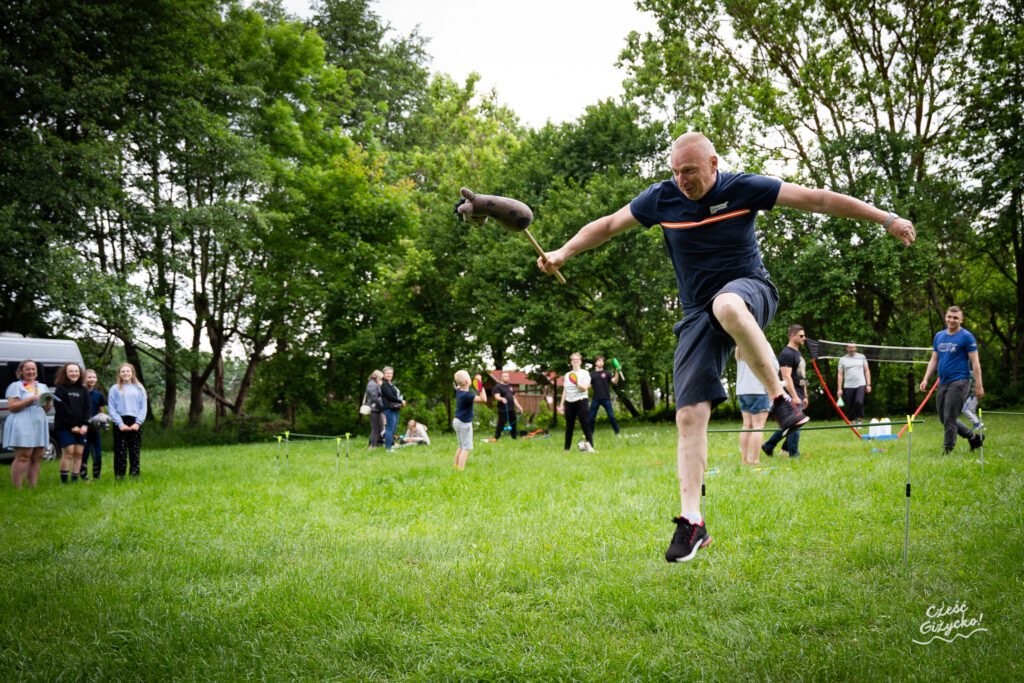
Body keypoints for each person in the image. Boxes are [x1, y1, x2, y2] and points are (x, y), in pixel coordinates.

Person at [537, 132, 916, 563]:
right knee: (688, 414)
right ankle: (692, 521)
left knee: (727, 303)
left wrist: (886, 218)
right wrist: (564, 251)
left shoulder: (742, 188)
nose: (682, 180)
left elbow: (819, 200)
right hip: (698, 313)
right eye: (676, 172)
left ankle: (781, 398)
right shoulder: (661, 199)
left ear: (714, 164)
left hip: (750, 291)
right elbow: (606, 225)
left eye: (691, 171)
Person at [919, 306, 984, 454]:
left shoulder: (966, 336)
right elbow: (934, 359)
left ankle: (947, 449)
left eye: (955, 318)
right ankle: (973, 437)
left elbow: (975, 362)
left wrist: (979, 385)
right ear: (946, 317)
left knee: (949, 418)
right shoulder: (939, 336)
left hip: (960, 381)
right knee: (944, 418)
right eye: (949, 317)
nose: (951, 320)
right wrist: (925, 378)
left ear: (961, 319)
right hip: (943, 381)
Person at [761, 325, 809, 459]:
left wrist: (804, 395)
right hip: (790, 394)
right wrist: (794, 396)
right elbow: (786, 376)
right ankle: (793, 454)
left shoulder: (798, 353)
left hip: (799, 393)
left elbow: (801, 376)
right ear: (792, 335)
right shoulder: (787, 354)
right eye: (801, 336)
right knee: (795, 424)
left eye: (804, 336)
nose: (804, 338)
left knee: (791, 423)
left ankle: (769, 445)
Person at [3, 360, 53, 488]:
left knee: (37, 456)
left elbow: (46, 409)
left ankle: (33, 486)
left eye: (33, 369)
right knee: (24, 456)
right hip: (22, 422)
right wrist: (30, 399)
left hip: (38, 422)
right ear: (21, 371)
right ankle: (17, 487)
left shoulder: (42, 387)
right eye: (28, 369)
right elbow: (12, 407)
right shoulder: (16, 386)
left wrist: (48, 402)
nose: (31, 372)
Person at [735, 346, 776, 465]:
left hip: (742, 390)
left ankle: (745, 459)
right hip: (757, 389)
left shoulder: (739, 344)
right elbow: (773, 365)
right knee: (758, 426)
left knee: (746, 425)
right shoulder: (761, 342)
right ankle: (755, 460)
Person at [107, 362, 147, 479]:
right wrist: (119, 423)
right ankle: (120, 475)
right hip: (120, 421)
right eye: (123, 371)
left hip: (135, 421)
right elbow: (111, 408)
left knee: (134, 450)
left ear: (132, 373)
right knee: (120, 450)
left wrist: (138, 422)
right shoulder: (114, 389)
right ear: (119, 374)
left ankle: (134, 474)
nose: (125, 373)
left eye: (128, 371)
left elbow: (143, 407)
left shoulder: (139, 388)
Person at [53, 362, 91, 484]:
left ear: (80, 373)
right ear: (65, 373)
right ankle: (64, 481)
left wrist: (85, 425)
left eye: (76, 371)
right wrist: (72, 425)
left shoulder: (83, 389)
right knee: (69, 452)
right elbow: (61, 409)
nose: (74, 373)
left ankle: (74, 481)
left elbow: (87, 409)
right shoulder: (61, 389)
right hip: (64, 426)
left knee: (79, 453)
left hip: (81, 427)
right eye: (71, 371)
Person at [560, 352, 596, 453]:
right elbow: (565, 390)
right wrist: (561, 404)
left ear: (580, 361)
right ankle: (566, 449)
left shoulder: (585, 373)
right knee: (569, 427)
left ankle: (591, 448)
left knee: (585, 425)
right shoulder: (567, 375)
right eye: (573, 359)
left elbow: (584, 388)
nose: (575, 361)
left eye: (577, 359)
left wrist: (576, 382)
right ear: (571, 362)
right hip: (569, 402)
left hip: (581, 401)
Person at [452, 370, 487, 470]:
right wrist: (480, 386)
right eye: (468, 377)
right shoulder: (467, 396)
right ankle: (460, 469)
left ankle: (456, 466)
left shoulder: (459, 391)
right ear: (467, 381)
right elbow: (483, 399)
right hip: (464, 423)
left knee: (461, 446)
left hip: (456, 422)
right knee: (466, 448)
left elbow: (460, 385)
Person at [81, 368, 107, 480]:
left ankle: (97, 476)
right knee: (84, 453)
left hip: (95, 428)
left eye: (94, 377)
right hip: (83, 428)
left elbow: (101, 410)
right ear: (84, 378)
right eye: (89, 377)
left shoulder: (98, 394)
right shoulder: (80, 392)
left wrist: (102, 421)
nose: (92, 379)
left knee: (97, 454)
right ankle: (83, 476)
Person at [837, 342, 871, 424]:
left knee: (859, 402)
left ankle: (860, 420)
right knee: (849, 405)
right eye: (850, 347)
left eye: (853, 347)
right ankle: (852, 423)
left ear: (855, 348)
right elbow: (840, 374)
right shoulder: (842, 359)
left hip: (861, 384)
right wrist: (839, 389)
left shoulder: (861, 357)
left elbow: (867, 370)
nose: (852, 349)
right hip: (848, 385)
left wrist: (868, 384)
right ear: (847, 348)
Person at [588, 356, 622, 436]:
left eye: (602, 361)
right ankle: (590, 434)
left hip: (606, 398)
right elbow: (588, 385)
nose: (601, 363)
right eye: (599, 361)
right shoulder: (591, 374)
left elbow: (615, 381)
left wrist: (617, 372)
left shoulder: (607, 373)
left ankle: (617, 433)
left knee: (611, 416)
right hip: (595, 399)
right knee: (591, 418)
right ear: (596, 363)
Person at [492, 370, 524, 440]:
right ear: (501, 378)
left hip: (511, 409)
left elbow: (514, 398)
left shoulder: (510, 387)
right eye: (506, 376)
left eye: (508, 376)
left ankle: (514, 437)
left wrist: (519, 407)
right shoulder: (498, 386)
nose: (508, 377)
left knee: (513, 423)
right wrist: (502, 399)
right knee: (501, 423)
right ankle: (496, 437)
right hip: (503, 409)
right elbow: (496, 397)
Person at [380, 366, 406, 451]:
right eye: (387, 373)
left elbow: (396, 396)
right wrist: (400, 401)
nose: (389, 375)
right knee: (389, 429)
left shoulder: (391, 385)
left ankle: (389, 445)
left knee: (393, 429)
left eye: (390, 373)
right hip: (389, 409)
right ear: (383, 374)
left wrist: (400, 401)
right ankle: (388, 448)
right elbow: (390, 397)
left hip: (395, 409)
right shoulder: (384, 385)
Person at [365, 370, 385, 449]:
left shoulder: (373, 384)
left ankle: (374, 444)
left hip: (376, 409)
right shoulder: (372, 385)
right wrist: (381, 407)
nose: (382, 380)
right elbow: (374, 398)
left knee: (379, 427)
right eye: (381, 378)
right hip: (374, 409)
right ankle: (372, 446)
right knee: (375, 429)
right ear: (378, 377)